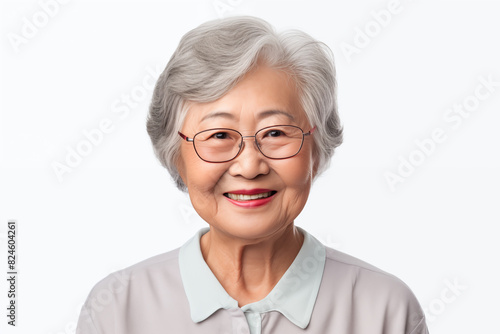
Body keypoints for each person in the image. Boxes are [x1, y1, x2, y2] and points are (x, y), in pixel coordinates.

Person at [76, 16, 428, 334]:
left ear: (316, 151)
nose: (249, 166)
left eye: (275, 133)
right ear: (175, 155)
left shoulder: (387, 311)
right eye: (219, 136)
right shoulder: (116, 311)